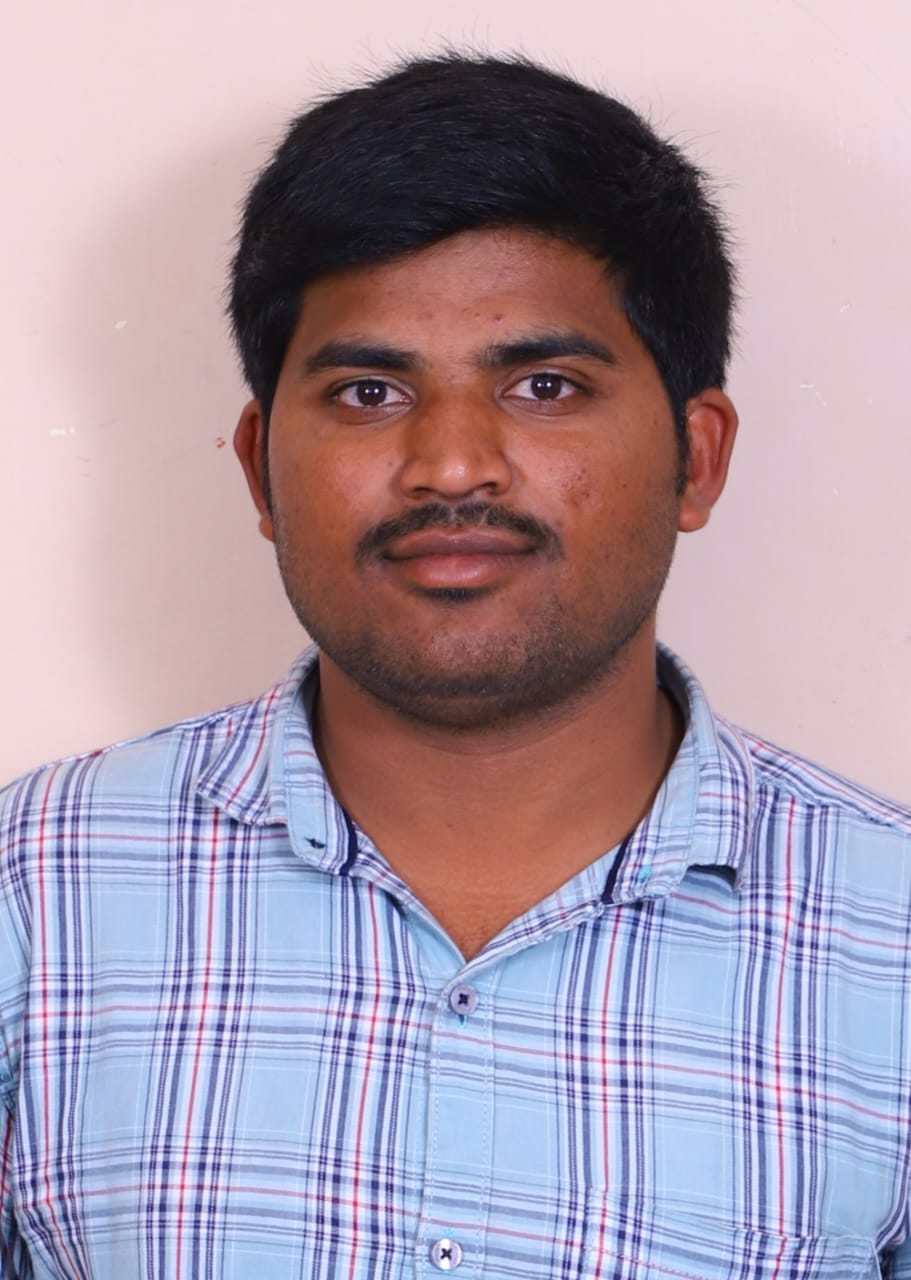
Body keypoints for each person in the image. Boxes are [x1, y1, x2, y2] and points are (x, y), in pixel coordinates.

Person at [1, 52, 909, 1280]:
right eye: (369, 391)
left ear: (695, 458)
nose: (449, 465)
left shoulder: (889, 937)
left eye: (542, 384)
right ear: (259, 466)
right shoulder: (31, 892)